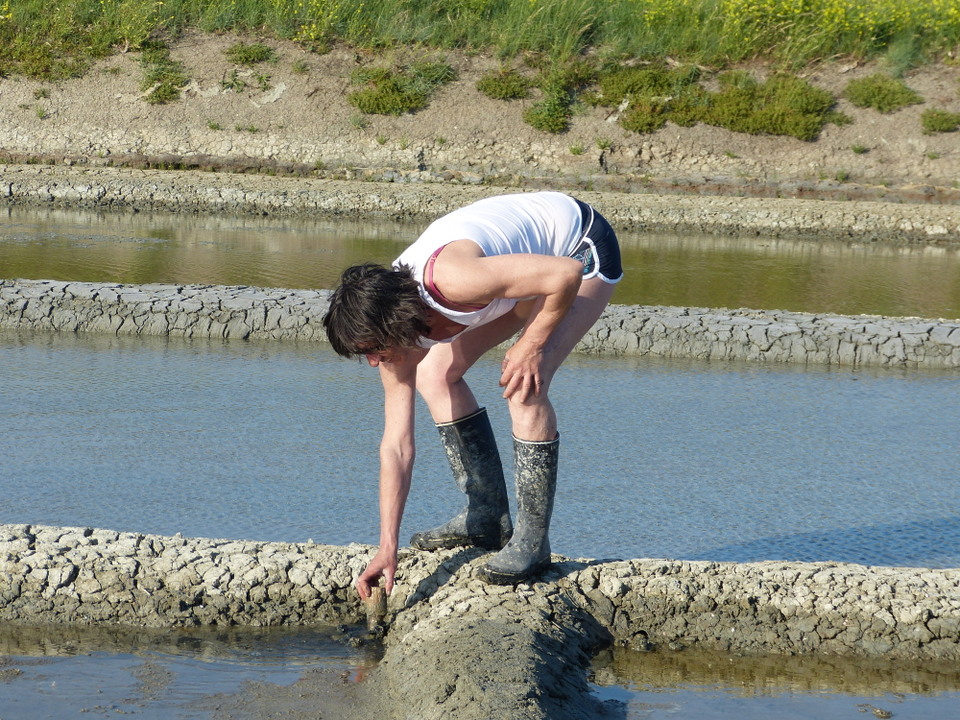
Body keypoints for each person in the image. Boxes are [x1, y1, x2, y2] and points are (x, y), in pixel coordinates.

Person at [323, 191, 623, 599]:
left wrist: (531, 345)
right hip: (523, 272)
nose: (376, 363)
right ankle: (487, 516)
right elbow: (396, 447)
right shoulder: (393, 339)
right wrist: (386, 548)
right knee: (436, 375)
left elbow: (564, 275)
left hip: (577, 250)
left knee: (523, 383)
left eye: (375, 350)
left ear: (396, 325)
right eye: (366, 356)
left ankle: (533, 545)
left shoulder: (453, 281)